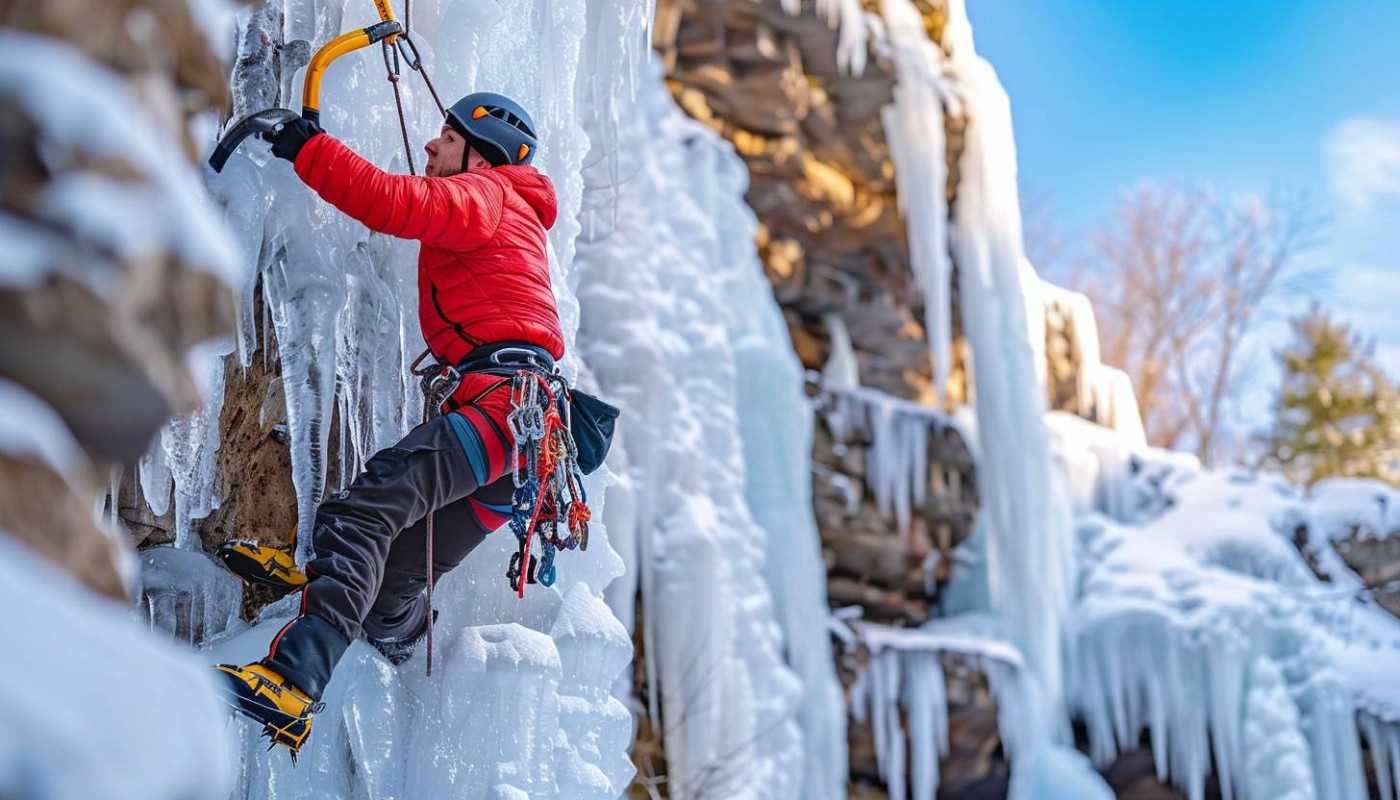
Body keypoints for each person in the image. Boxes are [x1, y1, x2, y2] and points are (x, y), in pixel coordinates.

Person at [213, 92, 561, 755]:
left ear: (481, 153)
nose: (431, 147)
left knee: (363, 512)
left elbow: (392, 203)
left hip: (500, 409)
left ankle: (292, 681)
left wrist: (308, 149)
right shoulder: (516, 213)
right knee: (399, 573)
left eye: (446, 138)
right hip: (526, 443)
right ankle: (384, 627)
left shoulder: (489, 195)